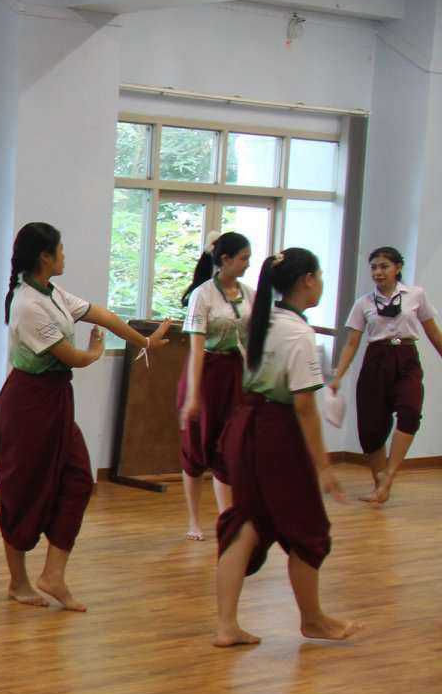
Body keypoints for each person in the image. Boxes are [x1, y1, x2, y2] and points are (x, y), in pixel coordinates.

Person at [0, 222, 170, 612]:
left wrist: (144, 341)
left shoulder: (51, 292)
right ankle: (18, 582)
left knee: (77, 480)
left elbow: (101, 314)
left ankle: (53, 575)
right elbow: (72, 357)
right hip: (27, 405)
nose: (64, 255)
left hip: (55, 400)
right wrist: (95, 353)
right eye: (60, 249)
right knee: (22, 490)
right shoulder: (27, 303)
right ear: (45, 257)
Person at [213, 248, 358, 647]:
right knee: (309, 529)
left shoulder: (258, 320)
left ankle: (226, 625)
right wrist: (324, 467)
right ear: (307, 280)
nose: (321, 282)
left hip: (245, 428)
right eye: (320, 275)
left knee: (247, 522)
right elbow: (305, 406)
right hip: (276, 435)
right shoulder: (297, 333)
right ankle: (313, 620)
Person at [329, 246, 439, 506]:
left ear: (398, 268)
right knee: (371, 427)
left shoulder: (416, 295)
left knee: (410, 411)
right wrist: (338, 374)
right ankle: (380, 487)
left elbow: (433, 332)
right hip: (375, 361)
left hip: (407, 357)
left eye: (384, 266)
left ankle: (389, 475)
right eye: (374, 267)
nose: (378, 272)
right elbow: (352, 343)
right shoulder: (363, 303)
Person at [176, 232, 252, 540]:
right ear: (225, 260)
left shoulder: (249, 293)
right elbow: (196, 350)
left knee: (228, 446)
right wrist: (193, 397)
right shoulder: (203, 294)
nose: (247, 264)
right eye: (244, 258)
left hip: (234, 373)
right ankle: (194, 520)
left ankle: (226, 517)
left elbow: (254, 339)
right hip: (205, 373)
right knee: (196, 447)